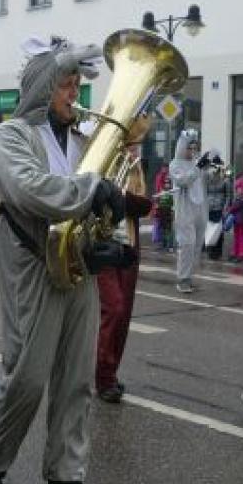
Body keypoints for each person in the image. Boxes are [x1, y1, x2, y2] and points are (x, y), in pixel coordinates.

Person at [0, 40, 124, 484]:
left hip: (76, 268)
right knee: (29, 378)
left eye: (77, 84)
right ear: (42, 88)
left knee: (77, 379)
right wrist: (89, 188)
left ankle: (65, 478)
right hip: (35, 268)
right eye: (66, 84)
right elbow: (31, 190)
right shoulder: (11, 135)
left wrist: (113, 212)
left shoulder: (80, 140)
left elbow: (92, 193)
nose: (73, 92)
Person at [95, 116, 153, 403]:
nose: (135, 152)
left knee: (125, 313)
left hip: (128, 243)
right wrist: (121, 198)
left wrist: (124, 199)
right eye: (132, 146)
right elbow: (98, 197)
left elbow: (142, 205)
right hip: (105, 243)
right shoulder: (104, 162)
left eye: (137, 147)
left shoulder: (135, 168)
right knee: (114, 309)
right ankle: (102, 374)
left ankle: (111, 373)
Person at [169, 130, 208, 293]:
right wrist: (198, 168)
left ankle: (190, 277)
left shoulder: (196, 163)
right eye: (189, 148)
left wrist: (214, 169)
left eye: (194, 148)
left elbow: (207, 181)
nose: (192, 152)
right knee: (187, 244)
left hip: (200, 208)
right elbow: (183, 180)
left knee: (197, 245)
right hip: (185, 209)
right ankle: (182, 279)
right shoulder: (175, 164)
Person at [203, 151, 229, 260]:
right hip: (208, 207)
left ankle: (217, 252)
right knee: (209, 229)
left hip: (219, 207)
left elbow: (228, 195)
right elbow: (203, 192)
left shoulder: (225, 178)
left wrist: (226, 207)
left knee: (218, 230)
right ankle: (209, 249)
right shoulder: (207, 177)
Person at [226, 175, 243, 262]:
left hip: (240, 220)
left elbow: (235, 207)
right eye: (237, 188)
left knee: (240, 237)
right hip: (239, 220)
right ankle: (236, 252)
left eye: (238, 188)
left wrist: (229, 210)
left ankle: (241, 253)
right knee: (238, 236)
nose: (237, 190)